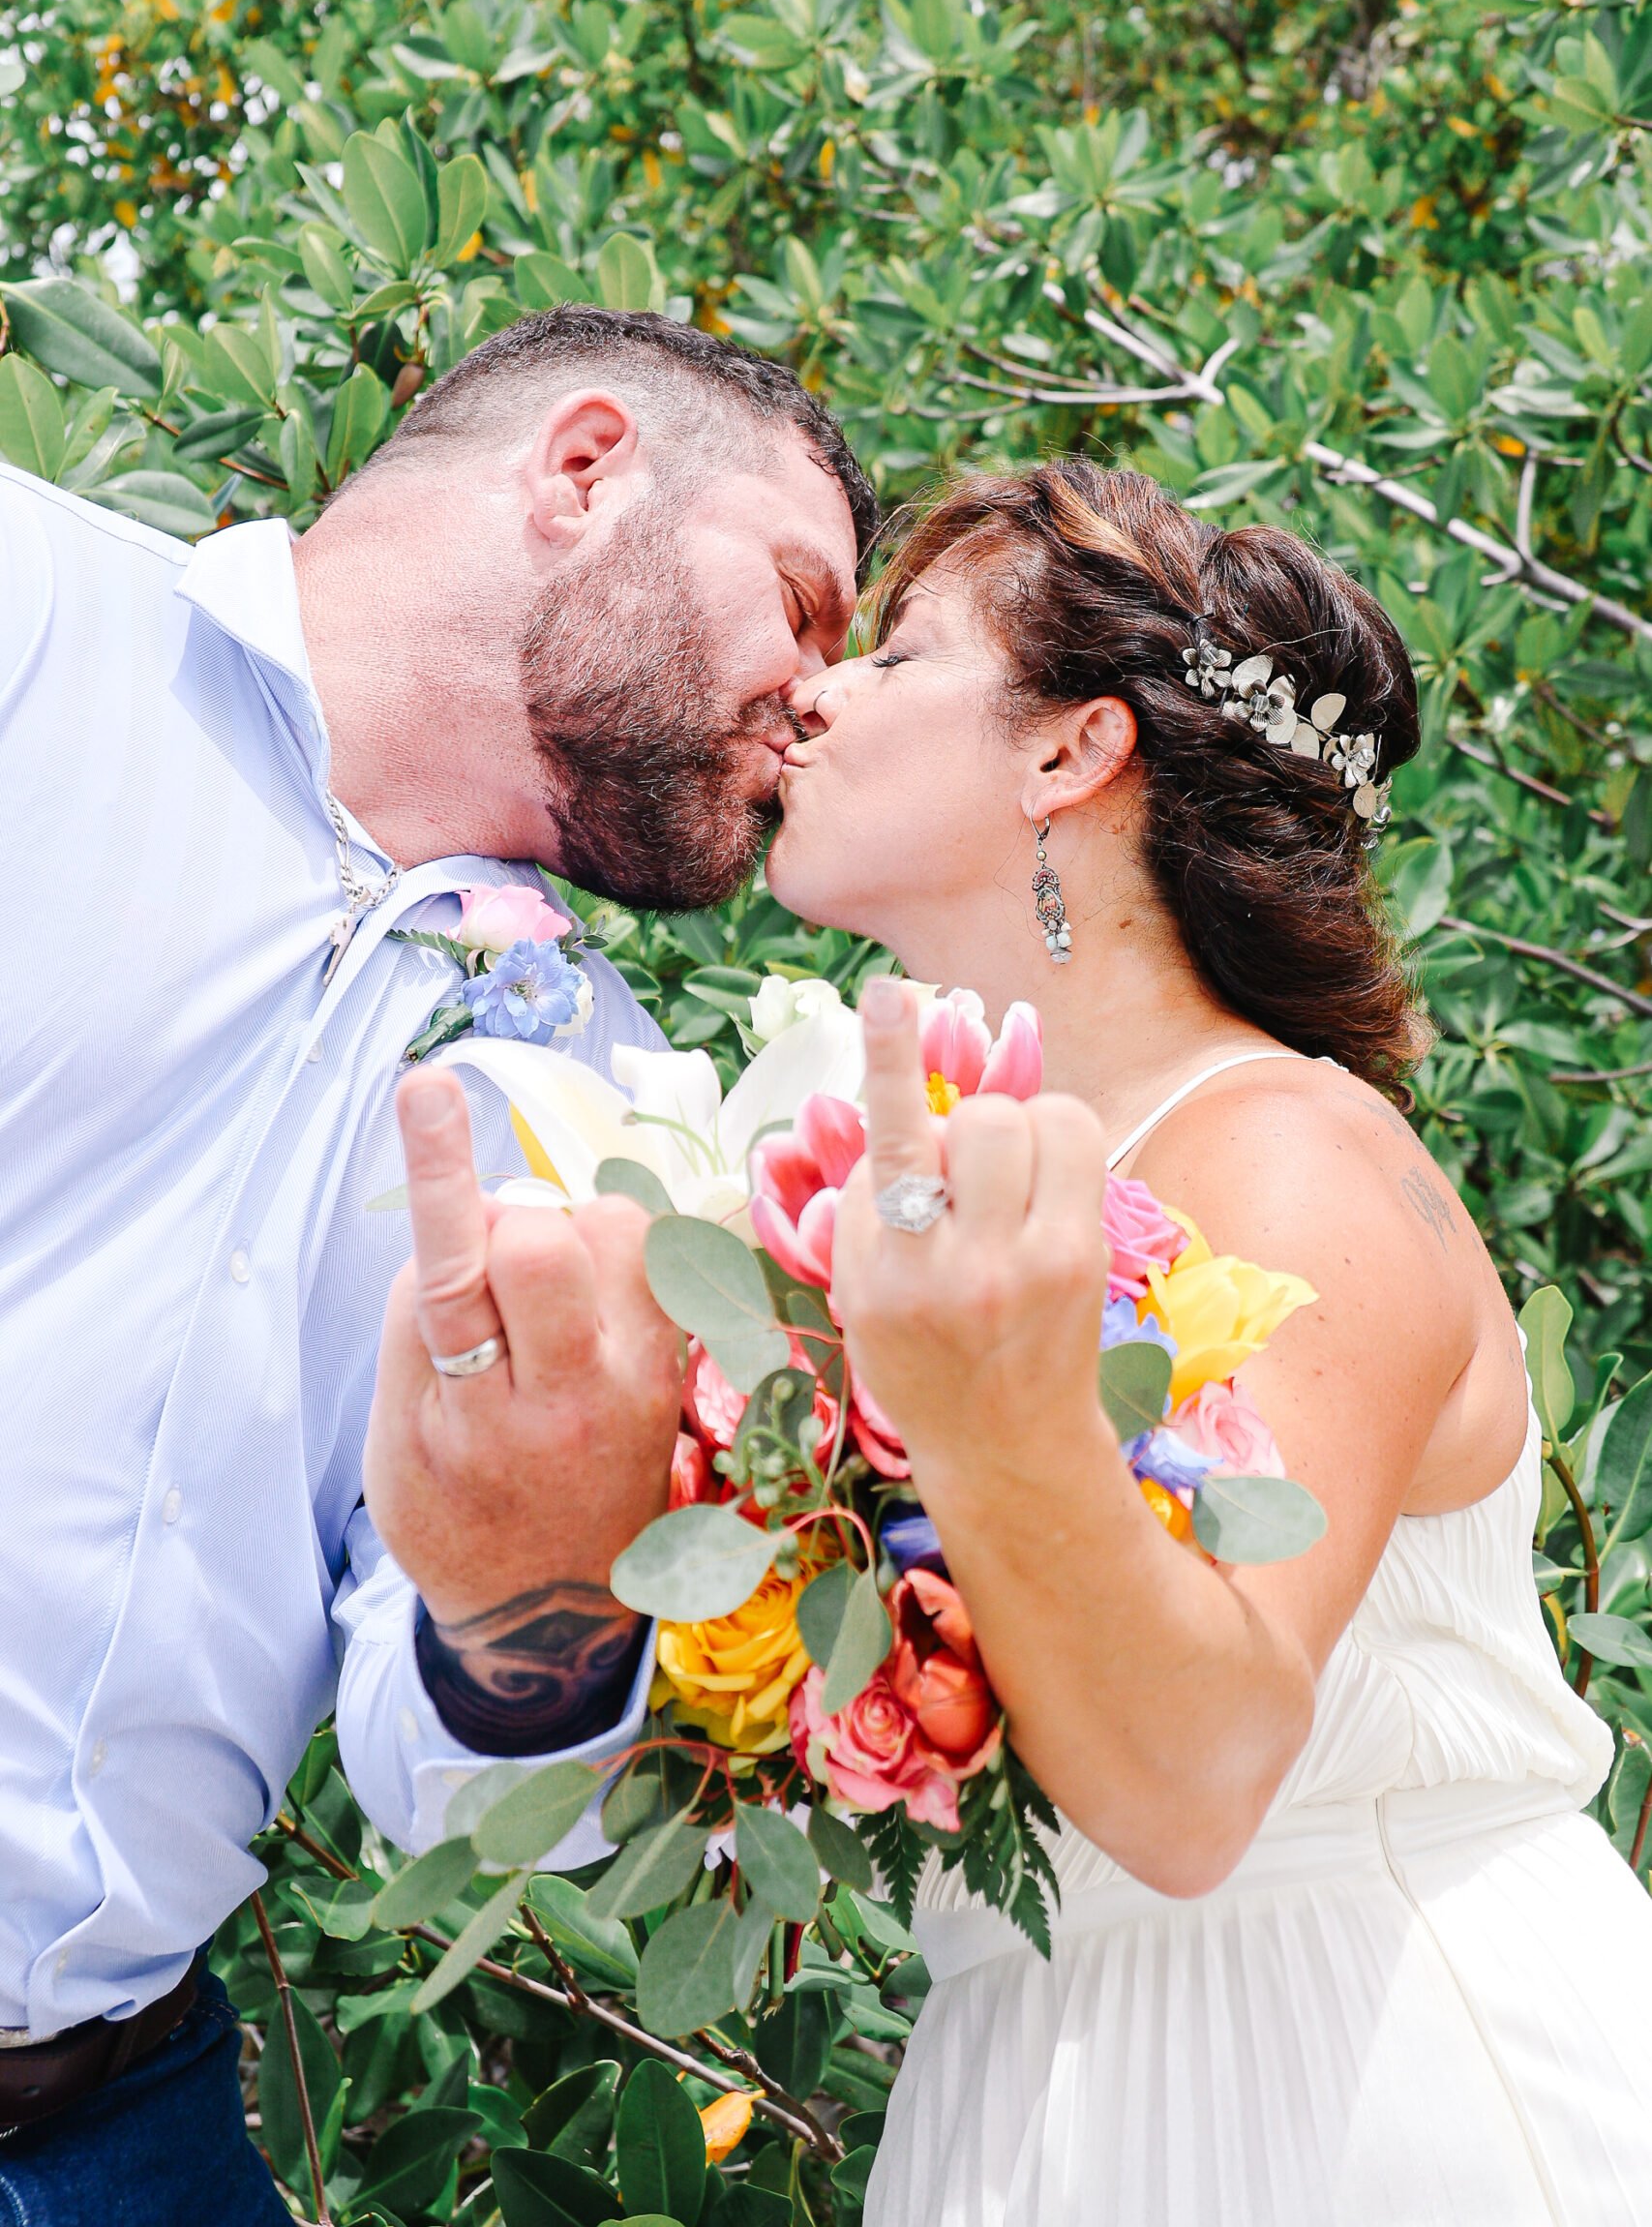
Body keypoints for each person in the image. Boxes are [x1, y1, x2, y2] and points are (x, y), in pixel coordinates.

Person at [0, 307, 873, 2217]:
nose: (819, 700)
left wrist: (520, 1617)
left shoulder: (614, 1103)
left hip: (109, 2121)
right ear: (582, 467)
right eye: (800, 604)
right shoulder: (35, 616)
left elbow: (450, 1787)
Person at [760, 463, 1652, 2222]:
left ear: (1067, 753)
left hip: (1354, 2080)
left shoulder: (1284, 1155)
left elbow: (1191, 1780)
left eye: (900, 652)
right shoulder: (934, 1187)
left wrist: (972, 1407)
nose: (814, 691)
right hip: (1031, 2071)